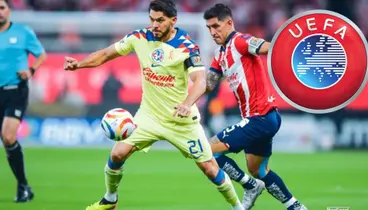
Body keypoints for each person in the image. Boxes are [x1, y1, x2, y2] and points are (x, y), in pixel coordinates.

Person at [64, 1, 244, 209]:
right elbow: (105, 54)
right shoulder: (139, 37)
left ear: (172, 20)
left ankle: (238, 207)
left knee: (209, 168)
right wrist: (79, 64)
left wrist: (187, 103)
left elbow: (201, 81)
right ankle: (110, 199)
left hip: (181, 121)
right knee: (117, 154)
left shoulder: (186, 46)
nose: (154, 25)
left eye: (160, 20)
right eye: (152, 19)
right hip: (149, 116)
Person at [203, 3, 308, 210]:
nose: (212, 32)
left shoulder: (241, 41)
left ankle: (250, 187)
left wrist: (294, 47)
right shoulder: (220, 54)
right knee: (258, 170)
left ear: (229, 23)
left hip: (260, 118)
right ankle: (295, 206)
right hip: (263, 119)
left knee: (207, 151)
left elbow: (268, 47)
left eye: (216, 26)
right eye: (209, 28)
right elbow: (208, 85)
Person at [0, 0, 46, 203]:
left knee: (8, 137)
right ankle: (24, 185)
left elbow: (41, 54)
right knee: (7, 144)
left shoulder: (23, 32)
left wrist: (31, 70)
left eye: (1, 8)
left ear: (9, 10)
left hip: (16, 90)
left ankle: (22, 185)